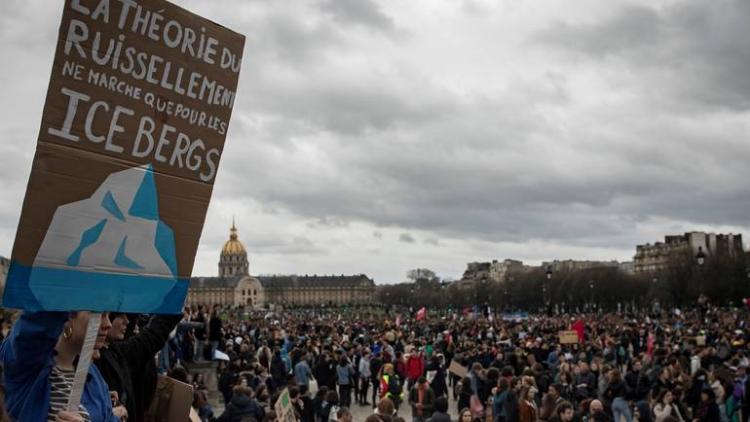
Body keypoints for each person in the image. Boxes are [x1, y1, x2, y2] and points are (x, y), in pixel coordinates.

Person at [0, 311, 120, 421]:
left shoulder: (94, 377)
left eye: (108, 315)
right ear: (69, 315)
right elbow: (34, 325)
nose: (108, 324)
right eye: (98, 313)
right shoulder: (26, 362)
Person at [96, 312, 181, 422]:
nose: (126, 321)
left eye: (108, 316)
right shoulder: (91, 363)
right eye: (119, 316)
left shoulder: (116, 351)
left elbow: (149, 339)